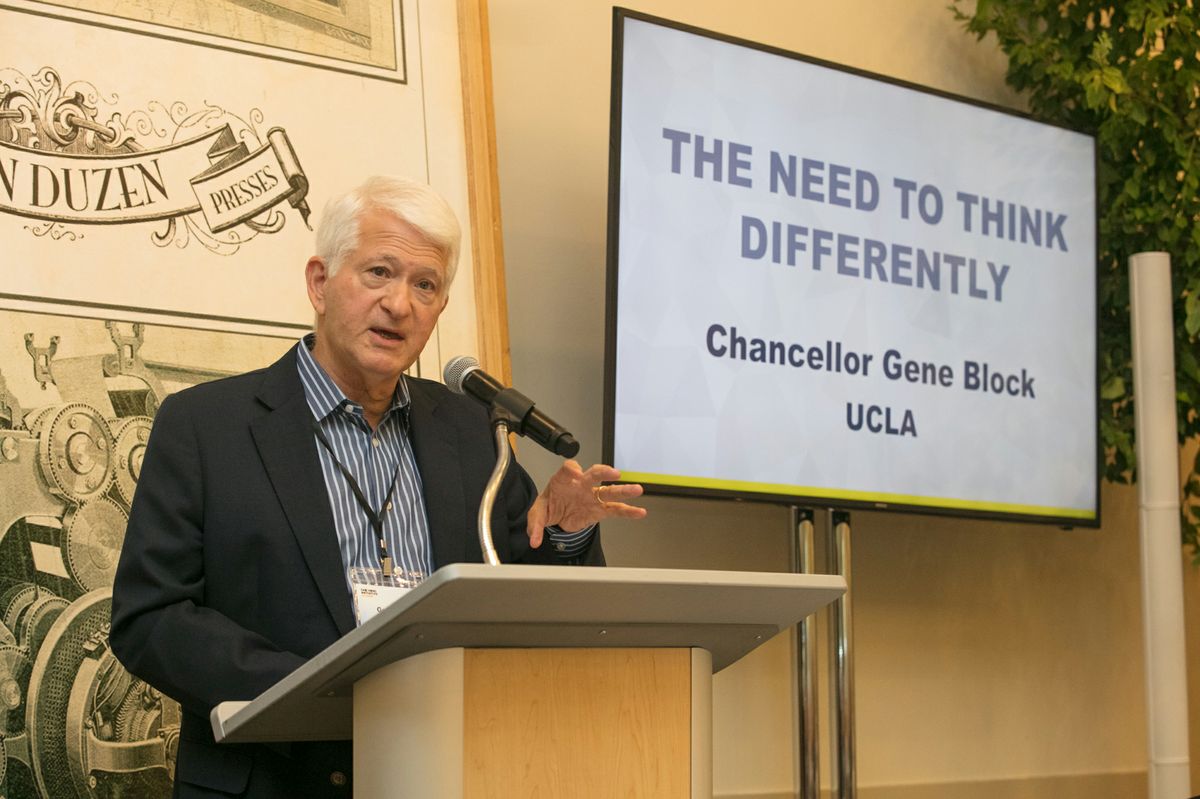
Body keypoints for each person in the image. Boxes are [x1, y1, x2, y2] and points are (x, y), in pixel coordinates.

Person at [109, 176, 645, 798]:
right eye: (379, 273)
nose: (400, 304)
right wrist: (324, 690)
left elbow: (529, 603)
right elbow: (151, 618)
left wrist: (564, 533)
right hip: (275, 778)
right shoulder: (205, 426)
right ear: (319, 283)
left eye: (425, 285)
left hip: (446, 773)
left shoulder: (470, 430)